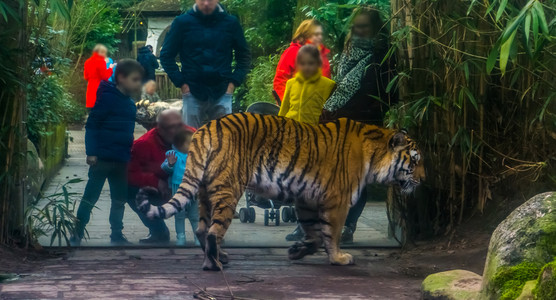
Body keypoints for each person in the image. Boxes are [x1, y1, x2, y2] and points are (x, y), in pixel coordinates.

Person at [322, 6, 397, 244]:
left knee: (360, 176)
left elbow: (388, 93)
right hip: (338, 120)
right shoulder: (349, 51)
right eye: (356, 25)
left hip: (366, 123)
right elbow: (341, 85)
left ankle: (348, 225)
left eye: (364, 26)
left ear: (375, 29)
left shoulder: (383, 55)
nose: (358, 30)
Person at [70, 59, 145, 246]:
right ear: (121, 78)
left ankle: (117, 233)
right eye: (135, 79)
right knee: (91, 196)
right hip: (102, 158)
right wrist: (91, 152)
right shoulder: (106, 98)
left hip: (121, 159)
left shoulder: (129, 104)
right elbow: (92, 125)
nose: (138, 84)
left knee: (119, 199)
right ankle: (77, 232)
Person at [160, 0, 251, 128]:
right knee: (189, 140)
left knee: (224, 140)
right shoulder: (182, 23)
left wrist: (234, 82)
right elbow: (166, 55)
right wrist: (181, 83)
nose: (206, 3)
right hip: (192, 90)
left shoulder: (231, 23)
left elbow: (244, 55)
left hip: (222, 91)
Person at [126, 110, 195, 244]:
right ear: (160, 128)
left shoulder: (192, 135)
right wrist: (156, 181)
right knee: (130, 191)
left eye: (179, 125)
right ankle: (158, 231)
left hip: (192, 188)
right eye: (171, 127)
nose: (177, 130)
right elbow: (131, 173)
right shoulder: (143, 144)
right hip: (162, 191)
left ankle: (209, 232)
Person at [273, 19, 331, 102]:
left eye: (320, 34)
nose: (320, 37)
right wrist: (285, 103)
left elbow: (327, 83)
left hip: (317, 106)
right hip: (294, 104)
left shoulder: (323, 56)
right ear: (305, 35)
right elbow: (280, 80)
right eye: (316, 34)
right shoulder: (292, 51)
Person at [278, 45, 335, 125]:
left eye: (311, 63)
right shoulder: (291, 83)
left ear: (319, 64)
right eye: (302, 63)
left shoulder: (328, 85)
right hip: (290, 128)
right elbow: (283, 110)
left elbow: (330, 114)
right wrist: (279, 126)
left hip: (314, 131)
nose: (306, 67)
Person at [160, 127, 199, 246]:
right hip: (178, 189)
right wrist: (170, 164)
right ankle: (180, 237)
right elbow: (165, 168)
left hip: (194, 189)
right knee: (179, 215)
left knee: (195, 215)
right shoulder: (173, 155)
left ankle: (198, 237)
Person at [84, 44, 115, 109]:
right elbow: (105, 77)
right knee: (101, 108)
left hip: (90, 87)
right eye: (103, 52)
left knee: (92, 108)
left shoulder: (87, 61)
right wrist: (110, 68)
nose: (104, 55)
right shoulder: (101, 62)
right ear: (99, 52)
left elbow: (86, 77)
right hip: (100, 88)